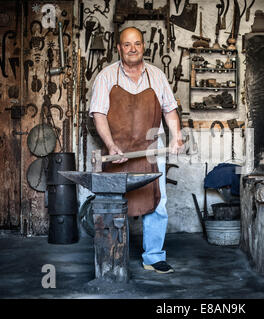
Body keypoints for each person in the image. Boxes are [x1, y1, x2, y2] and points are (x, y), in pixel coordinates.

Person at [89, 26, 184, 274]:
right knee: (113, 204)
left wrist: (177, 137)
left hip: (150, 150)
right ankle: (112, 254)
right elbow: (99, 115)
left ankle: (153, 257)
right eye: (127, 44)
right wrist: (111, 145)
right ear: (119, 48)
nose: (132, 49)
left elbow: (169, 110)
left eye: (137, 44)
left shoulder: (157, 76)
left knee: (156, 201)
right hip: (117, 150)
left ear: (144, 46)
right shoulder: (106, 77)